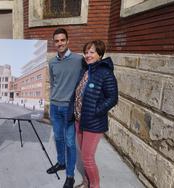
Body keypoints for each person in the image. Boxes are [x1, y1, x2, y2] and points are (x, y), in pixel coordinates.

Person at [74, 40, 118, 188]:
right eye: (86, 52)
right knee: (83, 154)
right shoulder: (86, 70)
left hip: (93, 122)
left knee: (87, 157)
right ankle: (87, 182)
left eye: (92, 52)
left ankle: (95, 185)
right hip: (80, 120)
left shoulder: (105, 72)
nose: (88, 55)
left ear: (100, 54)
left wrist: (96, 111)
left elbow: (112, 98)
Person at [47, 28, 83, 188]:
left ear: (67, 41)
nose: (60, 43)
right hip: (55, 106)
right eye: (57, 41)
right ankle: (61, 162)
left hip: (69, 109)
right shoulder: (52, 62)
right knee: (58, 138)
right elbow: (53, 83)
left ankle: (70, 175)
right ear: (54, 43)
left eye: (62, 40)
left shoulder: (78, 60)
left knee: (69, 142)